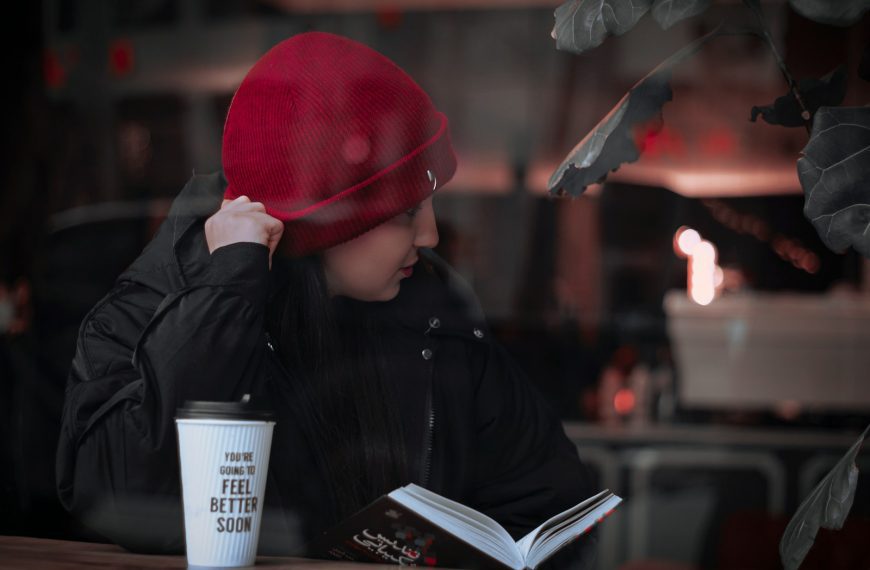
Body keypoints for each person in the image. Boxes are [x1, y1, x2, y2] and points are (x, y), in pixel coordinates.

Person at [56, 32, 596, 565]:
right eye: (406, 211)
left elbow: (552, 503)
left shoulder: (431, 312)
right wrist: (224, 297)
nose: (431, 235)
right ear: (322, 223)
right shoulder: (155, 312)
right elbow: (118, 498)